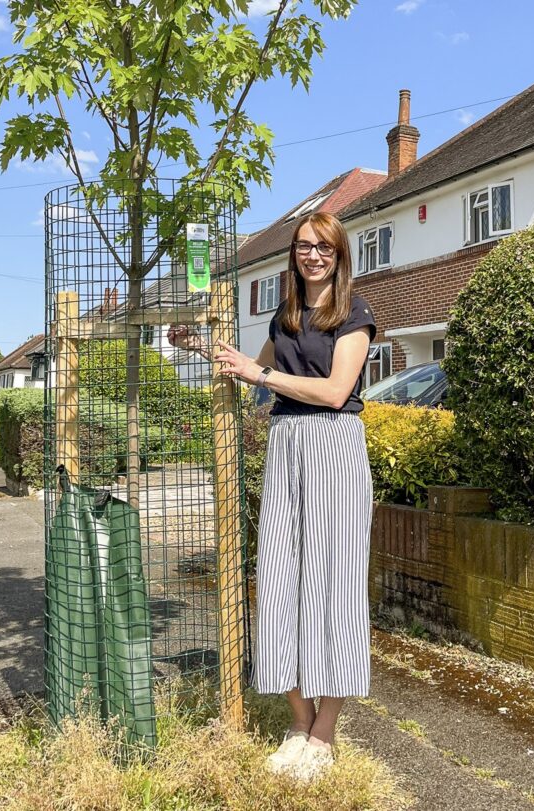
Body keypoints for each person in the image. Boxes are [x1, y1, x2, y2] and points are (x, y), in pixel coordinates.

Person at [169, 211, 375, 781]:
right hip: (286, 445)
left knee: (335, 583)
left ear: (339, 254)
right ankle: (297, 723)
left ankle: (324, 734)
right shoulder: (284, 316)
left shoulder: (355, 313)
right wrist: (198, 346)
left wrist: (259, 376)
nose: (313, 255)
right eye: (305, 246)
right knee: (280, 576)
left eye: (324, 247)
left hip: (333, 445)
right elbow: (251, 368)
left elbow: (334, 391)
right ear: (293, 253)